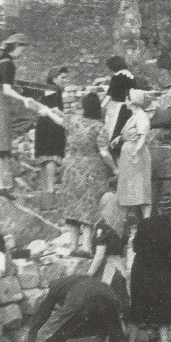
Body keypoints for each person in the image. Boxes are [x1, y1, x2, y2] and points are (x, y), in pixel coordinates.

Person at [26, 275, 132, 342]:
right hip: (108, 297)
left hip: (80, 298)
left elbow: (44, 311)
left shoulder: (55, 287)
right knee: (115, 332)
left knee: (46, 337)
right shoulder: (81, 279)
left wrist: (33, 333)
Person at [52, 93, 115, 256]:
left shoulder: (73, 121)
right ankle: (86, 247)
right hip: (92, 171)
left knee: (72, 207)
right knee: (89, 206)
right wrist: (115, 168)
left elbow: (57, 118)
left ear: (84, 107)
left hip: (72, 168)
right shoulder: (99, 127)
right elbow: (104, 153)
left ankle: (73, 246)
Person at [0, 33, 38, 198]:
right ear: (16, 46)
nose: (22, 52)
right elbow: (6, 89)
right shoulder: (9, 64)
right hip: (0, 106)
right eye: (22, 48)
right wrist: (24, 99)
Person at [129, 192, 171, 342]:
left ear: (158, 208)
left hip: (140, 272)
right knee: (165, 313)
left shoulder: (144, 224)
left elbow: (135, 246)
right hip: (161, 276)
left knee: (136, 311)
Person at [87, 190, 129, 310]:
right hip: (120, 268)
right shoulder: (122, 225)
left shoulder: (102, 226)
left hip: (106, 270)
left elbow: (100, 255)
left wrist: (89, 274)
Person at [115, 89, 152, 219]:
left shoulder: (141, 116)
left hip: (136, 155)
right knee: (128, 187)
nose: (125, 101)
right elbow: (129, 133)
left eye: (127, 99)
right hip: (128, 154)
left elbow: (142, 136)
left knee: (140, 187)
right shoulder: (133, 116)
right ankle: (125, 220)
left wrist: (136, 152)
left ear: (132, 101)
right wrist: (119, 139)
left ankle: (146, 219)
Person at [35, 66, 68, 193]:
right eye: (63, 77)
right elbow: (55, 110)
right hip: (52, 125)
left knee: (45, 157)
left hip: (42, 125)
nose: (65, 80)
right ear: (54, 78)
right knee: (51, 157)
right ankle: (50, 189)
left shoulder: (46, 89)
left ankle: (46, 191)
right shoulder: (55, 89)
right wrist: (69, 118)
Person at [103, 56, 136, 166]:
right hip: (129, 108)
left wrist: (100, 107)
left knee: (113, 135)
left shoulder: (116, 77)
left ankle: (117, 165)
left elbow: (109, 95)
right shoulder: (131, 76)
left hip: (117, 108)